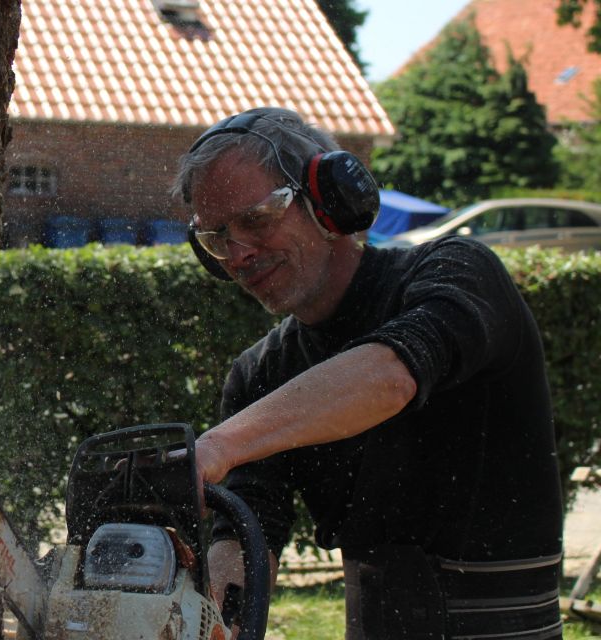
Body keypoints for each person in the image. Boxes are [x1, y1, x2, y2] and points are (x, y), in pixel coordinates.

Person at [172, 107, 564, 639]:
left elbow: (392, 373)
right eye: (217, 238)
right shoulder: (262, 373)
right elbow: (247, 526)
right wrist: (219, 619)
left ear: (329, 201)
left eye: (257, 220)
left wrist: (218, 446)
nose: (238, 254)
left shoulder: (458, 274)